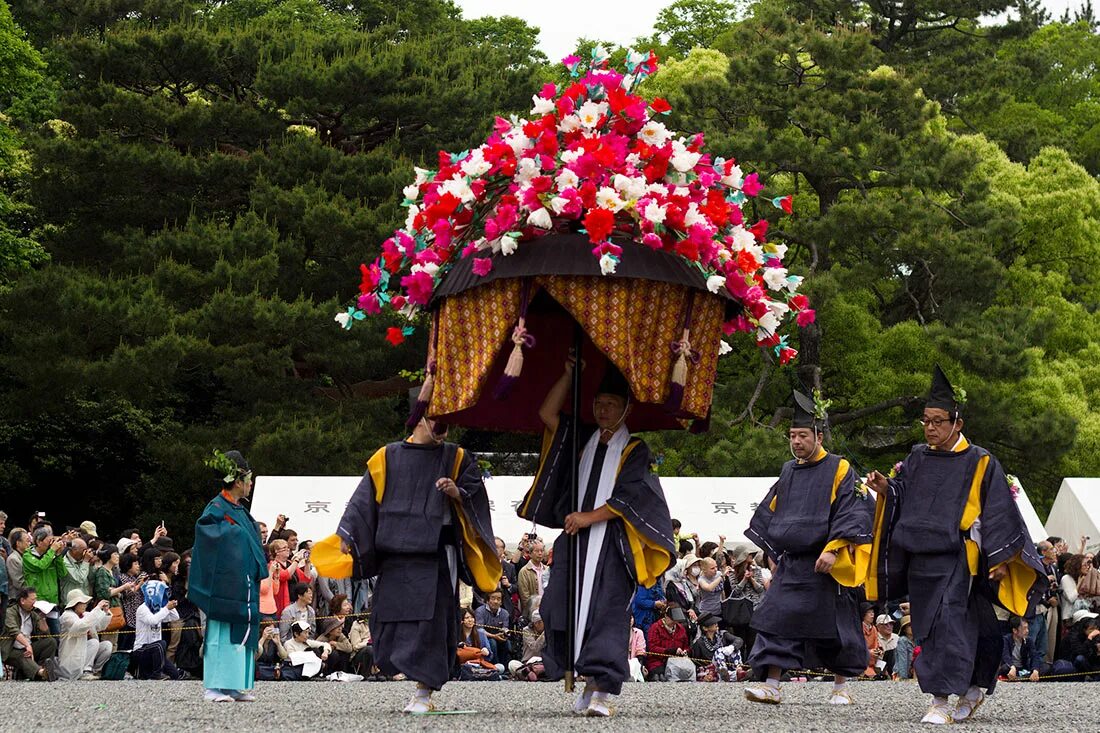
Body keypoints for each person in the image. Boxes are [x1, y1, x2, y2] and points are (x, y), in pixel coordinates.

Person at [866, 366, 1045, 724]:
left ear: (957, 423)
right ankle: (975, 686)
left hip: (960, 557)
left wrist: (1001, 558)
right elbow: (905, 494)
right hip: (921, 556)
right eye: (926, 421)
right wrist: (888, 489)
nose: (931, 428)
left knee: (948, 622)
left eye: (938, 421)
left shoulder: (980, 461)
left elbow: (998, 511)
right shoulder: (917, 457)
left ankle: (941, 701)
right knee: (939, 624)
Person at [519, 360, 675, 716]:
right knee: (560, 607)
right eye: (598, 403)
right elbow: (547, 413)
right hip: (576, 543)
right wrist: (568, 375)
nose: (603, 410)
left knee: (606, 614)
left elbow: (630, 498)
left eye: (611, 404)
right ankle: (580, 676)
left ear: (626, 408)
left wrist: (588, 517)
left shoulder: (634, 449)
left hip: (612, 546)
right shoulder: (583, 437)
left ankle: (601, 690)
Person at [333, 389, 500, 714]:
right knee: (388, 619)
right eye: (440, 419)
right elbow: (362, 502)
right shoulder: (387, 456)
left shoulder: (456, 456)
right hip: (395, 556)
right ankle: (406, 676)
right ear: (420, 417)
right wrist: (346, 534)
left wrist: (457, 494)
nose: (446, 428)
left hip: (436, 556)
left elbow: (474, 492)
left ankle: (423, 693)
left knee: (433, 624)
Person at [744, 391, 874, 706]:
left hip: (828, 560)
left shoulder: (840, 467)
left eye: (803, 435)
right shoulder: (789, 469)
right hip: (794, 562)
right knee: (777, 619)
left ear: (818, 435)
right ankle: (772, 684)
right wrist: (773, 552)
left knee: (837, 625)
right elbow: (775, 509)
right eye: (792, 436)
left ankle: (841, 687)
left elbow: (852, 509)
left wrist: (833, 549)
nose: (797, 441)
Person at [189, 449, 269, 703]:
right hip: (225, 584)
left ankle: (234, 685)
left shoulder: (238, 510)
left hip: (241, 582)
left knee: (240, 630)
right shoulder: (216, 507)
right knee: (221, 633)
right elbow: (207, 536)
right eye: (248, 478)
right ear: (237, 482)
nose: (251, 483)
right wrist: (237, 536)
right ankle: (214, 686)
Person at [0, 587, 58, 681]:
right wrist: (27, 645)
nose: (35, 602)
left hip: (28, 647)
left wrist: (42, 618)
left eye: (36, 599)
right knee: (23, 655)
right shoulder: (10, 612)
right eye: (32, 599)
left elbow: (45, 635)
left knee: (51, 642)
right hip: (10, 649)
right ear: (22, 600)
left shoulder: (34, 614)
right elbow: (13, 630)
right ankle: (42, 673)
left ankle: (44, 669)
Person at [57, 589, 112, 680]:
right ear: (75, 604)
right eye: (83, 602)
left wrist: (105, 612)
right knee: (94, 642)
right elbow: (80, 627)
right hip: (72, 656)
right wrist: (97, 608)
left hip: (84, 652)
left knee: (107, 645)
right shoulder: (67, 616)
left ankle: (95, 671)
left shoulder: (85, 615)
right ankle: (86, 671)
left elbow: (100, 626)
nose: (85, 604)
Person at [22, 526, 68, 635]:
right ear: (38, 541)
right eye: (49, 541)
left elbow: (63, 573)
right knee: (39, 634)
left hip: (52, 602)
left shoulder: (51, 555)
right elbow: (40, 566)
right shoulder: (27, 556)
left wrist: (58, 556)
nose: (51, 544)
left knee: (56, 633)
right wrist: (52, 551)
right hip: (37, 604)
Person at [645, 606, 693, 681]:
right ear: (666, 616)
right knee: (660, 677)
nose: (674, 622)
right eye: (672, 620)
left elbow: (686, 646)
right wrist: (669, 651)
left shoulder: (681, 629)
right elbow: (652, 648)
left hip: (677, 661)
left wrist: (685, 651)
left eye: (676, 620)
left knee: (687, 674)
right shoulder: (655, 627)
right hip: (657, 661)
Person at [692, 613, 743, 681]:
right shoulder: (699, 643)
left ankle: (736, 671)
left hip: (727, 665)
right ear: (705, 628)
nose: (716, 624)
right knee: (718, 652)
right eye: (713, 623)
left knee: (735, 650)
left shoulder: (723, 634)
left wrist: (732, 647)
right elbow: (697, 662)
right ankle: (734, 675)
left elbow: (739, 640)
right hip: (711, 669)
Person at [999, 616, 1046, 681]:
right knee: (1005, 668)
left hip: (1023, 668)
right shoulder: (1006, 639)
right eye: (1024, 628)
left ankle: (1024, 676)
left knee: (1045, 667)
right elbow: (1005, 656)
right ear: (1015, 630)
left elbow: (1034, 655)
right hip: (1011, 667)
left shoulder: (1029, 640)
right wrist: (1012, 667)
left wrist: (1035, 670)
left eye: (1027, 628)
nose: (1027, 631)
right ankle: (1024, 677)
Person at [474, 589, 511, 666]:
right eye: (493, 598)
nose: (496, 601)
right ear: (487, 600)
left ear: (501, 602)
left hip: (498, 637)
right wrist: (493, 636)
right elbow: (479, 630)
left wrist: (505, 633)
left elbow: (505, 627)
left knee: (507, 643)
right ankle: (494, 666)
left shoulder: (505, 613)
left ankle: (504, 667)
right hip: (484, 638)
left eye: (498, 599)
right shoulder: (480, 611)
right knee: (492, 643)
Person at [517, 539, 548, 617]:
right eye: (536, 551)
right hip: (532, 613)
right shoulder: (524, 571)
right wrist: (534, 611)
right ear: (530, 554)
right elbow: (525, 596)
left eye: (542, 550)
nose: (540, 553)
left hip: (547, 610)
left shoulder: (547, 569)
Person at [6, 528, 30, 597]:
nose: (29, 544)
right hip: (17, 598)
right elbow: (19, 583)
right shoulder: (13, 559)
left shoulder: (25, 556)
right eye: (27, 541)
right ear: (18, 543)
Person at [895, 615, 916, 680]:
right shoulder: (903, 640)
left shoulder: (918, 640)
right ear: (904, 629)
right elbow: (902, 660)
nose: (912, 627)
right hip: (903, 674)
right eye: (909, 625)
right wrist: (903, 677)